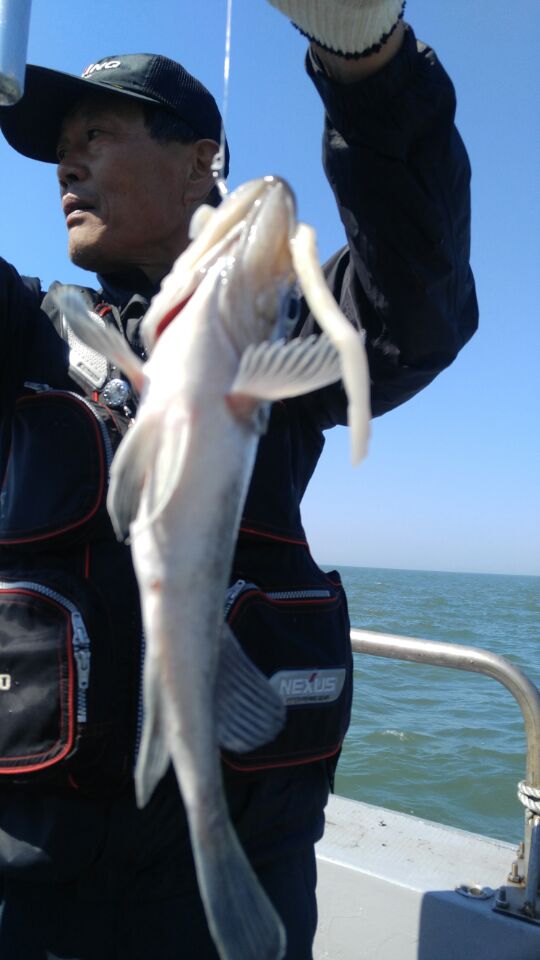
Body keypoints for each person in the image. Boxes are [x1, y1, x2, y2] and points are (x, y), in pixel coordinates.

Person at [0, 1, 478, 957]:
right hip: (30, 880)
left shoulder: (278, 326)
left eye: (95, 134)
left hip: (237, 871)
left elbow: (415, 302)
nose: (64, 166)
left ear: (200, 163)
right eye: (59, 147)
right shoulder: (28, 331)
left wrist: (368, 59)